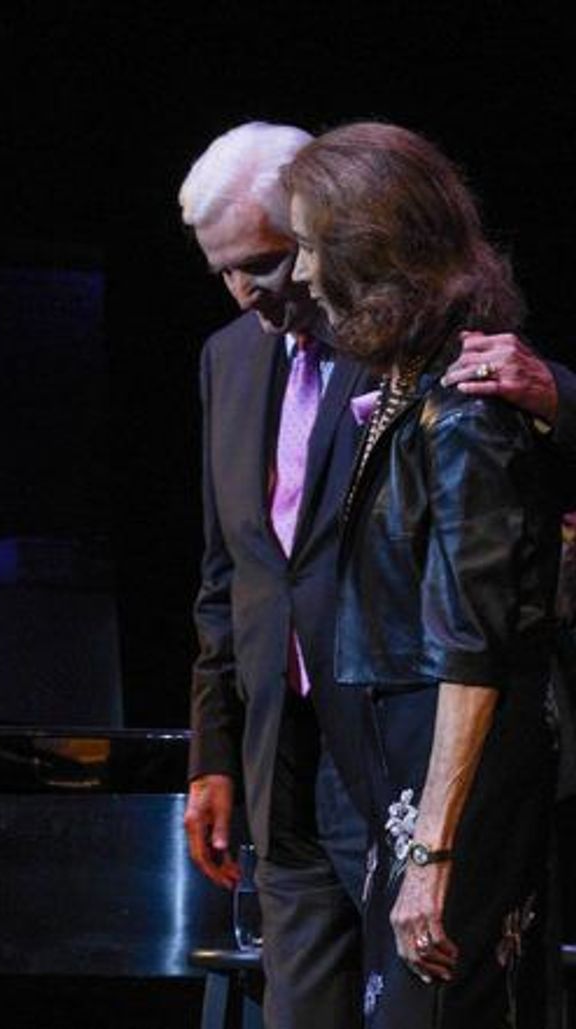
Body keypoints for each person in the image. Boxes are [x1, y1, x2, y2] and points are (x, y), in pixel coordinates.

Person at [286, 121, 561, 1028]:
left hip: (453, 795)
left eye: (309, 248)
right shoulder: (403, 391)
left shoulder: (466, 405)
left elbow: (474, 643)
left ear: (367, 253)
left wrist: (434, 853)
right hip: (407, 790)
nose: (299, 275)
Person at [180, 122, 373, 1029]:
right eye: (223, 269)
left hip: (379, 737)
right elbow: (229, 577)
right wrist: (213, 753)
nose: (246, 290)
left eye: (262, 260)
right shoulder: (231, 357)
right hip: (276, 749)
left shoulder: (393, 338)